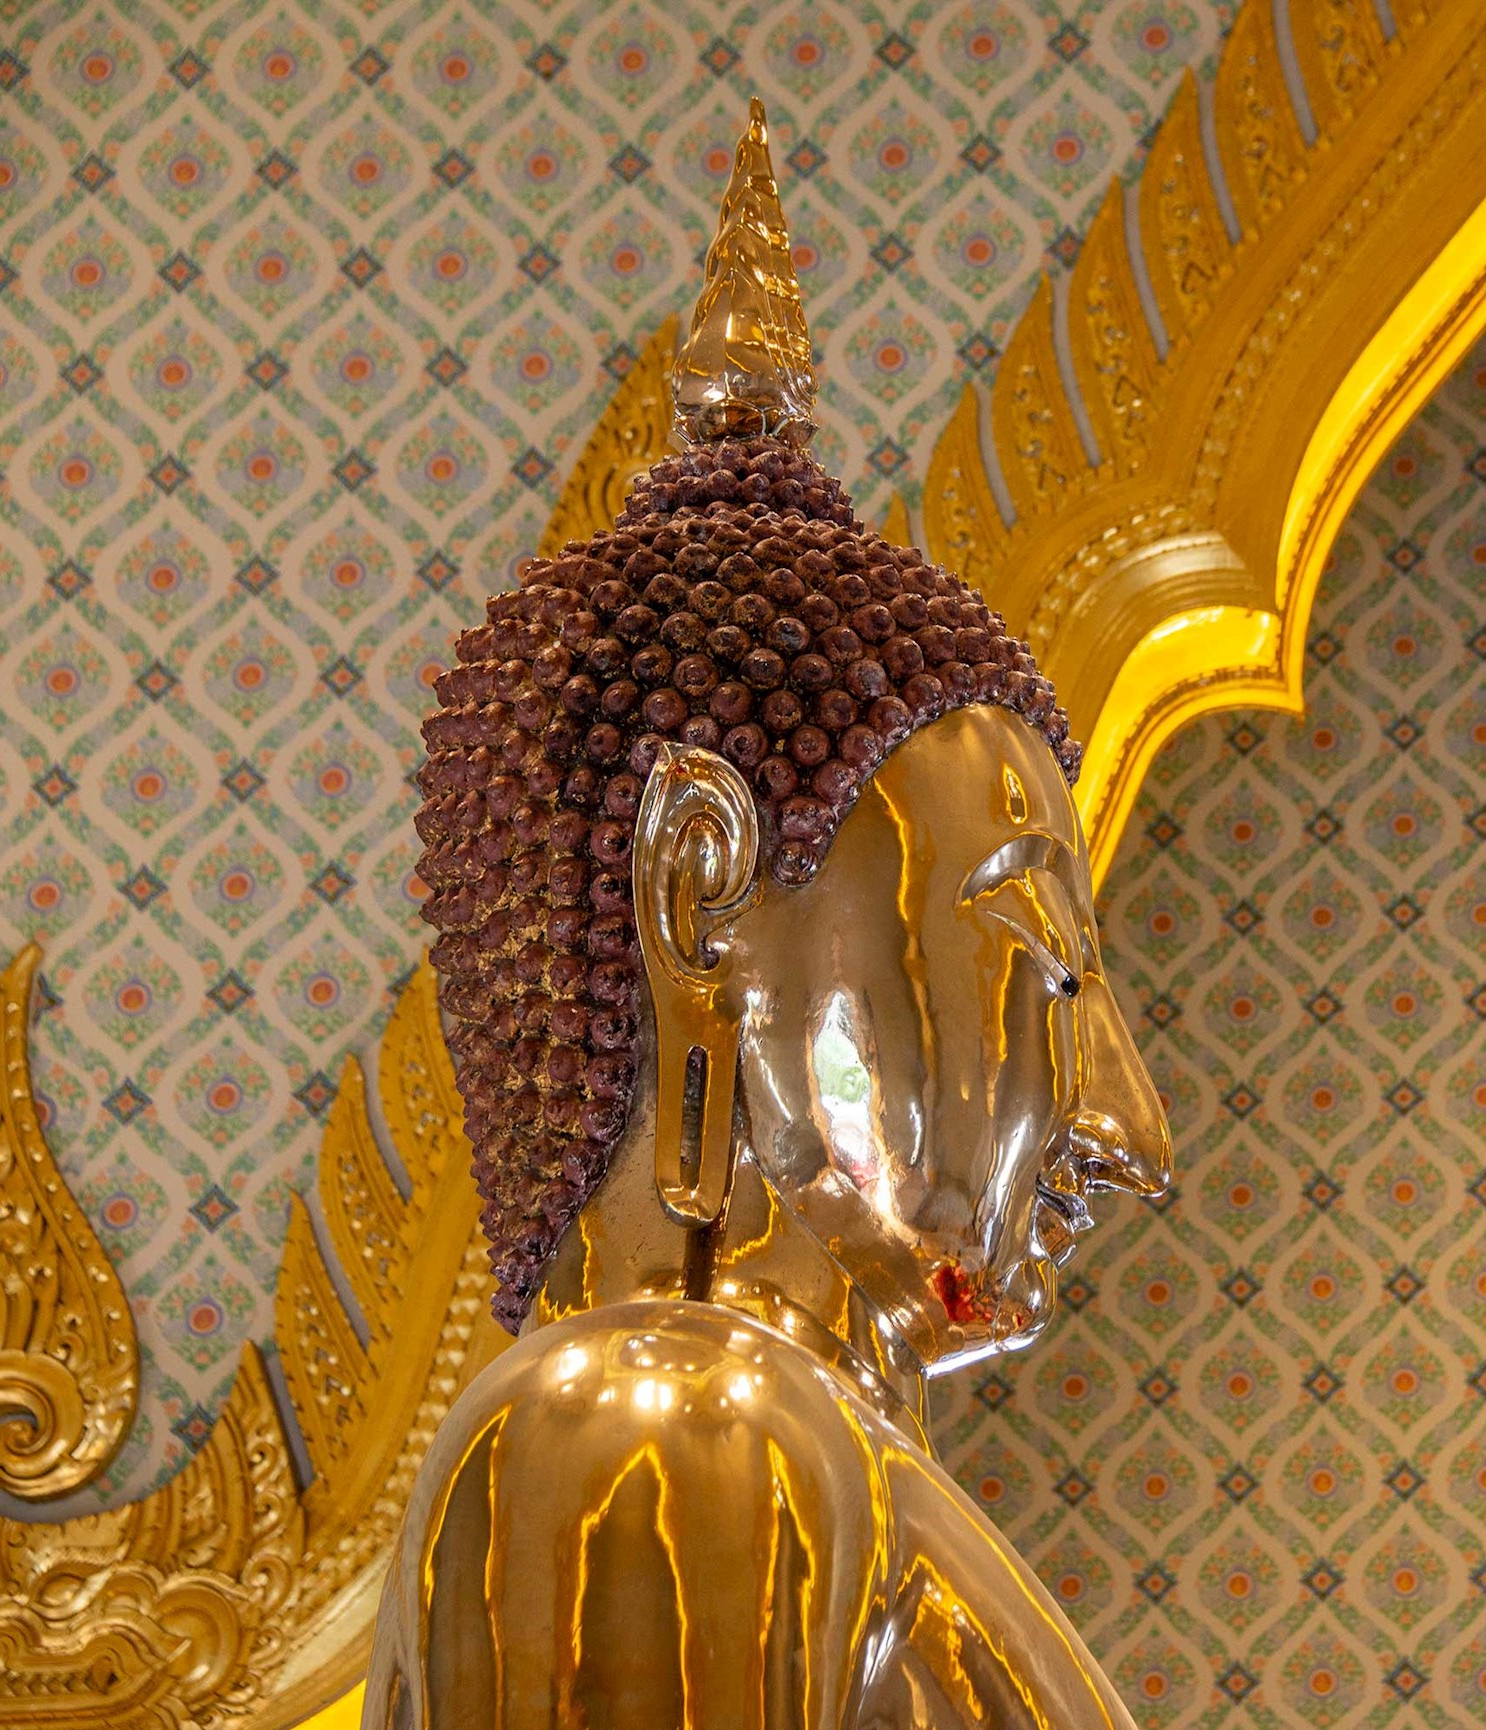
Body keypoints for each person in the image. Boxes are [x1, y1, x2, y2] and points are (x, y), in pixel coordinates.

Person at [363, 100, 1172, 1730]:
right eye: (1038, 962)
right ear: (699, 891)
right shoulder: (658, 1424)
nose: (1124, 1129)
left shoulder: (826, 1462)